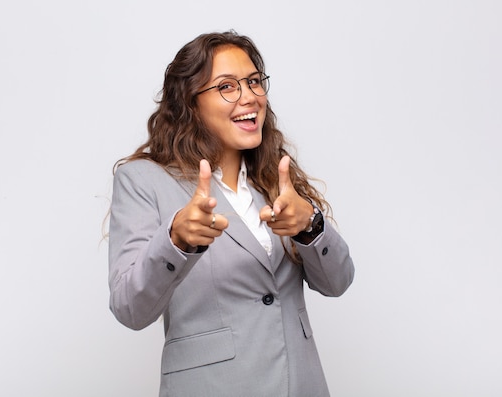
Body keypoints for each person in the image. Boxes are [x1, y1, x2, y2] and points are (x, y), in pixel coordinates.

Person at [108, 31, 355, 397]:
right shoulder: (144, 180)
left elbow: (337, 283)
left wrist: (311, 226)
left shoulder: (276, 177)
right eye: (227, 86)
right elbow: (130, 308)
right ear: (190, 103)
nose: (250, 96)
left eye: (254, 82)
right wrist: (175, 239)